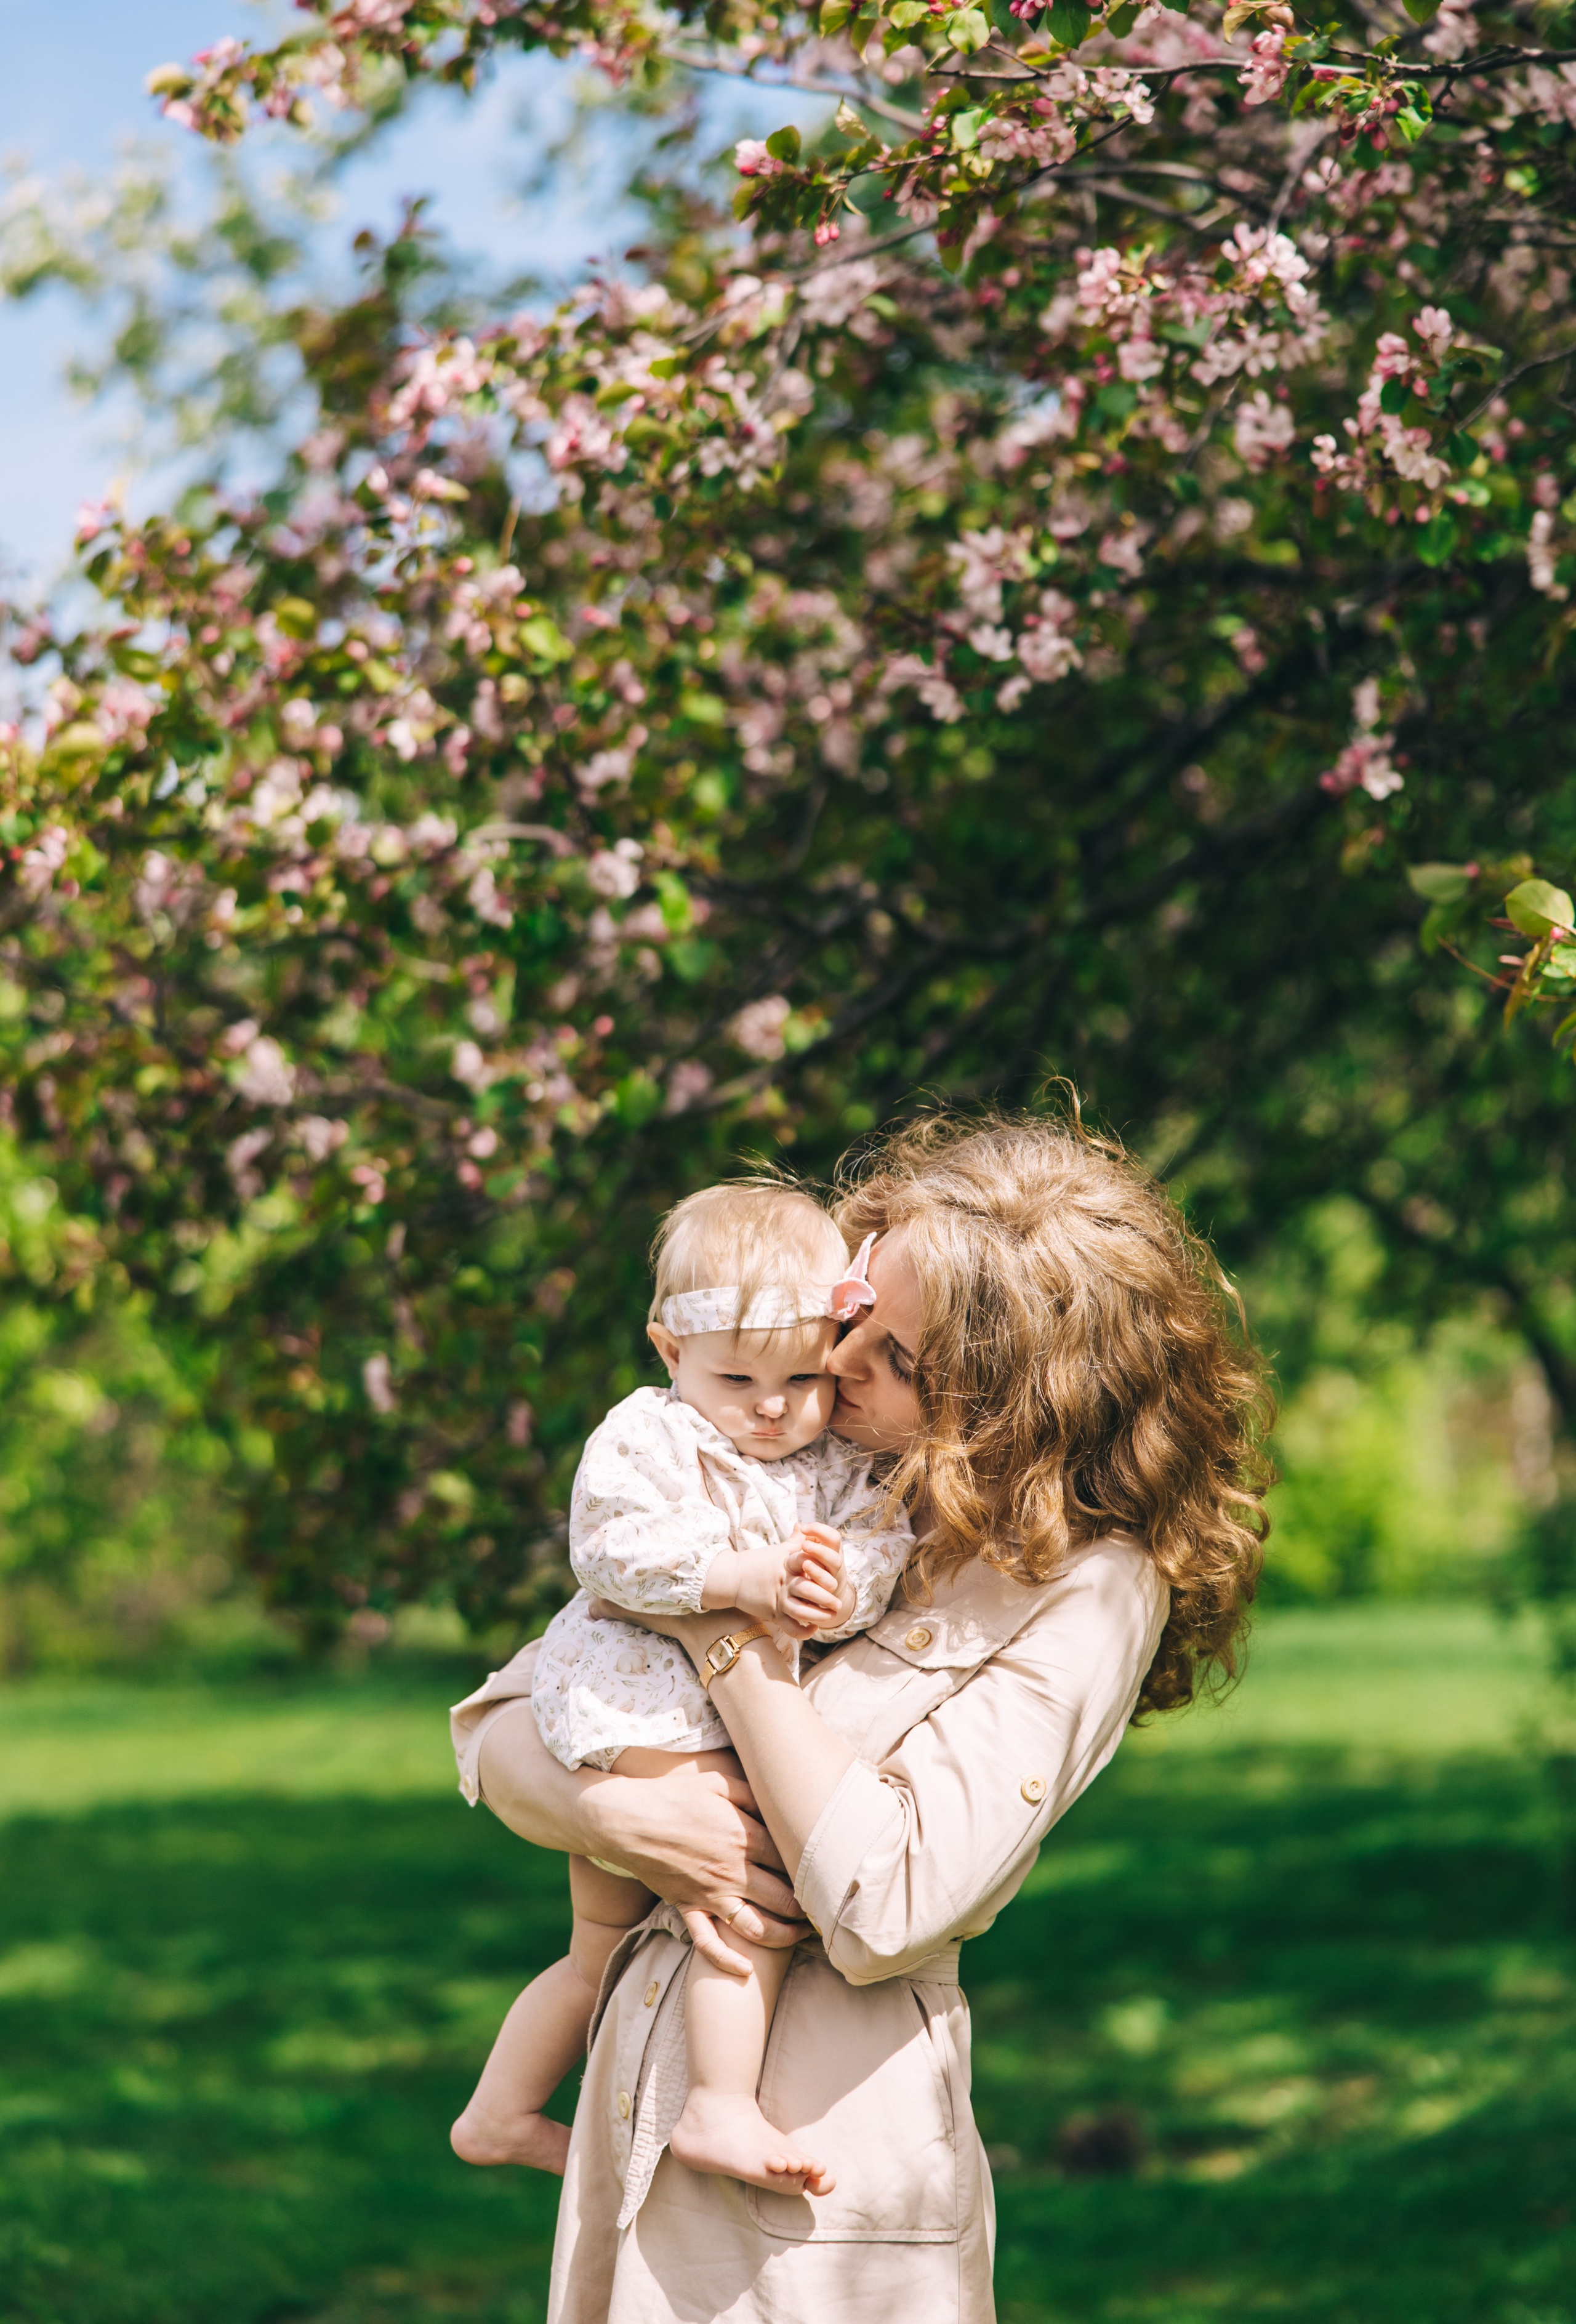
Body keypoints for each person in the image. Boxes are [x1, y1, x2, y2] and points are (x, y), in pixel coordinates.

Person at [451, 1109, 1271, 2324]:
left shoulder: (1088, 1588)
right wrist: (628, 1814)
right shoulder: (809, 1460)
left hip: (821, 2162)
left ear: (1001, 1397)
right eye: (852, 1321)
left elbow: (882, 1903)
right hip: (647, 2100)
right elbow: (500, 1722)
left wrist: (717, 1627)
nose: (835, 1368)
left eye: (890, 1354)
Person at [451, 1183, 914, 2196]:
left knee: (595, 1948)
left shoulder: (837, 1459)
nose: (773, 1403)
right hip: (636, 1699)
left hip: (687, 1704)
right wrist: (732, 1579)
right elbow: (605, 1546)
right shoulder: (647, 1435)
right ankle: (719, 2104)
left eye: (803, 1375)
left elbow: (884, 1550)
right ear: (670, 1353)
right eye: (739, 1375)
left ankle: (497, 2114)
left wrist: (844, 1588)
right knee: (748, 1895)